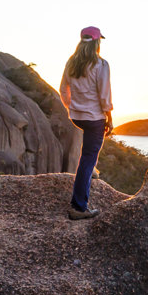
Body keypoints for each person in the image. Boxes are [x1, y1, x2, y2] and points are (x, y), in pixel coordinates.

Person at [59, 26, 113, 220]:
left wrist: (71, 108)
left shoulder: (71, 63)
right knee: (88, 155)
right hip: (94, 117)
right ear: (98, 42)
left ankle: (92, 171)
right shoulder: (101, 64)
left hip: (76, 116)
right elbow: (104, 95)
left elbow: (63, 90)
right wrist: (109, 117)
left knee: (89, 151)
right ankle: (79, 207)